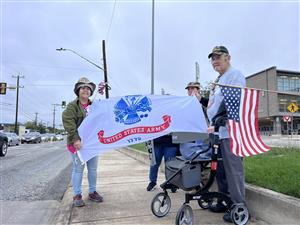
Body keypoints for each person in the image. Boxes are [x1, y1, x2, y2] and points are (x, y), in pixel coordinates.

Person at [195, 46, 247, 223]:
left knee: (234, 171)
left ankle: (239, 206)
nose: (215, 60)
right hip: (217, 131)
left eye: (218, 57)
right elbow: (213, 105)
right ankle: (225, 201)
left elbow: (234, 101)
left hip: (230, 131)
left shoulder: (235, 75)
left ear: (228, 58)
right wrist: (201, 100)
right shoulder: (218, 79)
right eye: (212, 58)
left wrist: (220, 118)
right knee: (221, 171)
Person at [62, 77, 104, 207]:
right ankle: (77, 195)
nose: (86, 90)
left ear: (91, 92)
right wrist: (76, 139)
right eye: (83, 87)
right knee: (78, 169)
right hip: (77, 144)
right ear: (78, 90)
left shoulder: (95, 106)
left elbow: (100, 121)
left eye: (88, 88)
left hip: (92, 144)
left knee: (93, 169)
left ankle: (92, 192)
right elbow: (69, 123)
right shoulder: (71, 107)